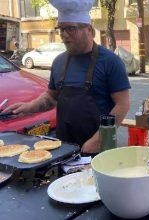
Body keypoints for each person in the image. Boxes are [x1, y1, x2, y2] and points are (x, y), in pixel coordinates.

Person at [3, 0, 131, 155]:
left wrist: (98, 140)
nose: (64, 34)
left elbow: (122, 105)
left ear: (89, 30)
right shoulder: (59, 62)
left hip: (99, 149)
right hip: (63, 147)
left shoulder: (111, 62)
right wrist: (28, 107)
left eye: (71, 29)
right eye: (61, 29)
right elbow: (50, 98)